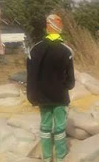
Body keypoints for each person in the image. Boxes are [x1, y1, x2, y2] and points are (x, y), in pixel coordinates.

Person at [26, 13, 75, 162]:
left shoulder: (35, 50)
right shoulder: (66, 51)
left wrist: (32, 95)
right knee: (60, 128)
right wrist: (66, 85)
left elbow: (30, 74)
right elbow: (71, 80)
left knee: (45, 127)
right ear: (60, 28)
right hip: (59, 96)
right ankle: (60, 157)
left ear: (47, 28)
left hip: (42, 97)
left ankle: (47, 157)